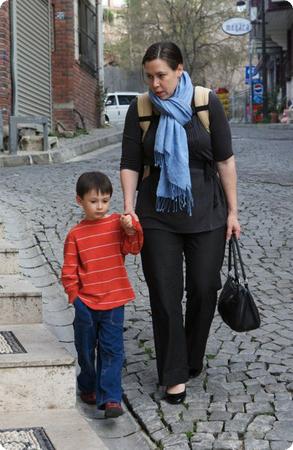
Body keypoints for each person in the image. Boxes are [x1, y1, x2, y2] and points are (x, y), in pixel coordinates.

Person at [120, 42, 241, 404]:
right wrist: (128, 208)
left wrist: (233, 212)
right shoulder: (140, 110)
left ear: (179, 70)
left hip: (207, 213)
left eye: (161, 75)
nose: (155, 84)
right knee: (165, 296)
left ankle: (191, 356)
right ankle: (173, 374)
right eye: (149, 77)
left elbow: (225, 162)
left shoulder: (205, 103)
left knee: (204, 290)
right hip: (156, 214)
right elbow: (128, 162)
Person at [61, 171, 143, 418]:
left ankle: (110, 398)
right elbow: (68, 271)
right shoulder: (75, 235)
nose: (100, 206)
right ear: (80, 200)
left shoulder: (117, 224)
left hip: (114, 301)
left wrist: (131, 228)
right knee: (86, 349)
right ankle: (87, 383)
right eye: (94, 201)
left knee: (112, 349)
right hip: (85, 303)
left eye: (105, 201)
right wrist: (75, 297)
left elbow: (134, 247)